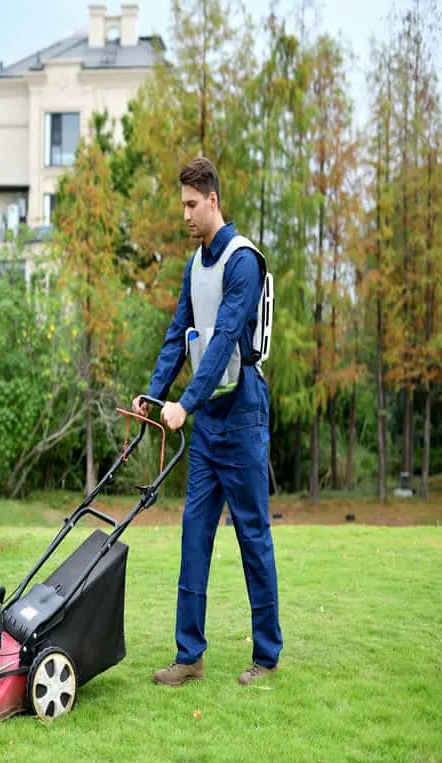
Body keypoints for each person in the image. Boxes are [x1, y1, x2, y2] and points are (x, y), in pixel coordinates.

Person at [133, 156, 282, 686]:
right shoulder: (194, 266)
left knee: (252, 536)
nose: (186, 216)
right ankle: (188, 655)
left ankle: (266, 656)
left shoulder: (244, 262)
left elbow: (221, 343)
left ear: (213, 200)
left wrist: (184, 404)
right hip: (209, 425)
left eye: (192, 205)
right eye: (182, 207)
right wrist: (153, 396)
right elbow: (181, 334)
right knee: (194, 534)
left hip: (242, 417)